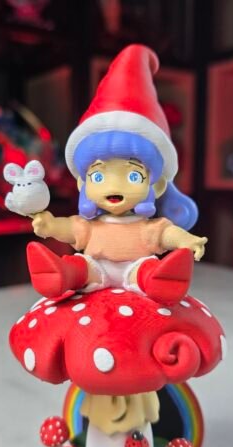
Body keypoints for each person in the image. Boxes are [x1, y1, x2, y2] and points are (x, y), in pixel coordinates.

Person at [26, 44, 207, 305]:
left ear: (156, 185)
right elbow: (70, 229)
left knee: (146, 271)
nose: (114, 186)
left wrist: (188, 241)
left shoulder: (147, 227)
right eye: (98, 177)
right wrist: (50, 225)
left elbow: (167, 235)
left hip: (136, 271)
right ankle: (62, 274)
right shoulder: (90, 225)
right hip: (95, 269)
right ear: (82, 183)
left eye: (133, 176)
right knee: (80, 267)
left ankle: (160, 281)